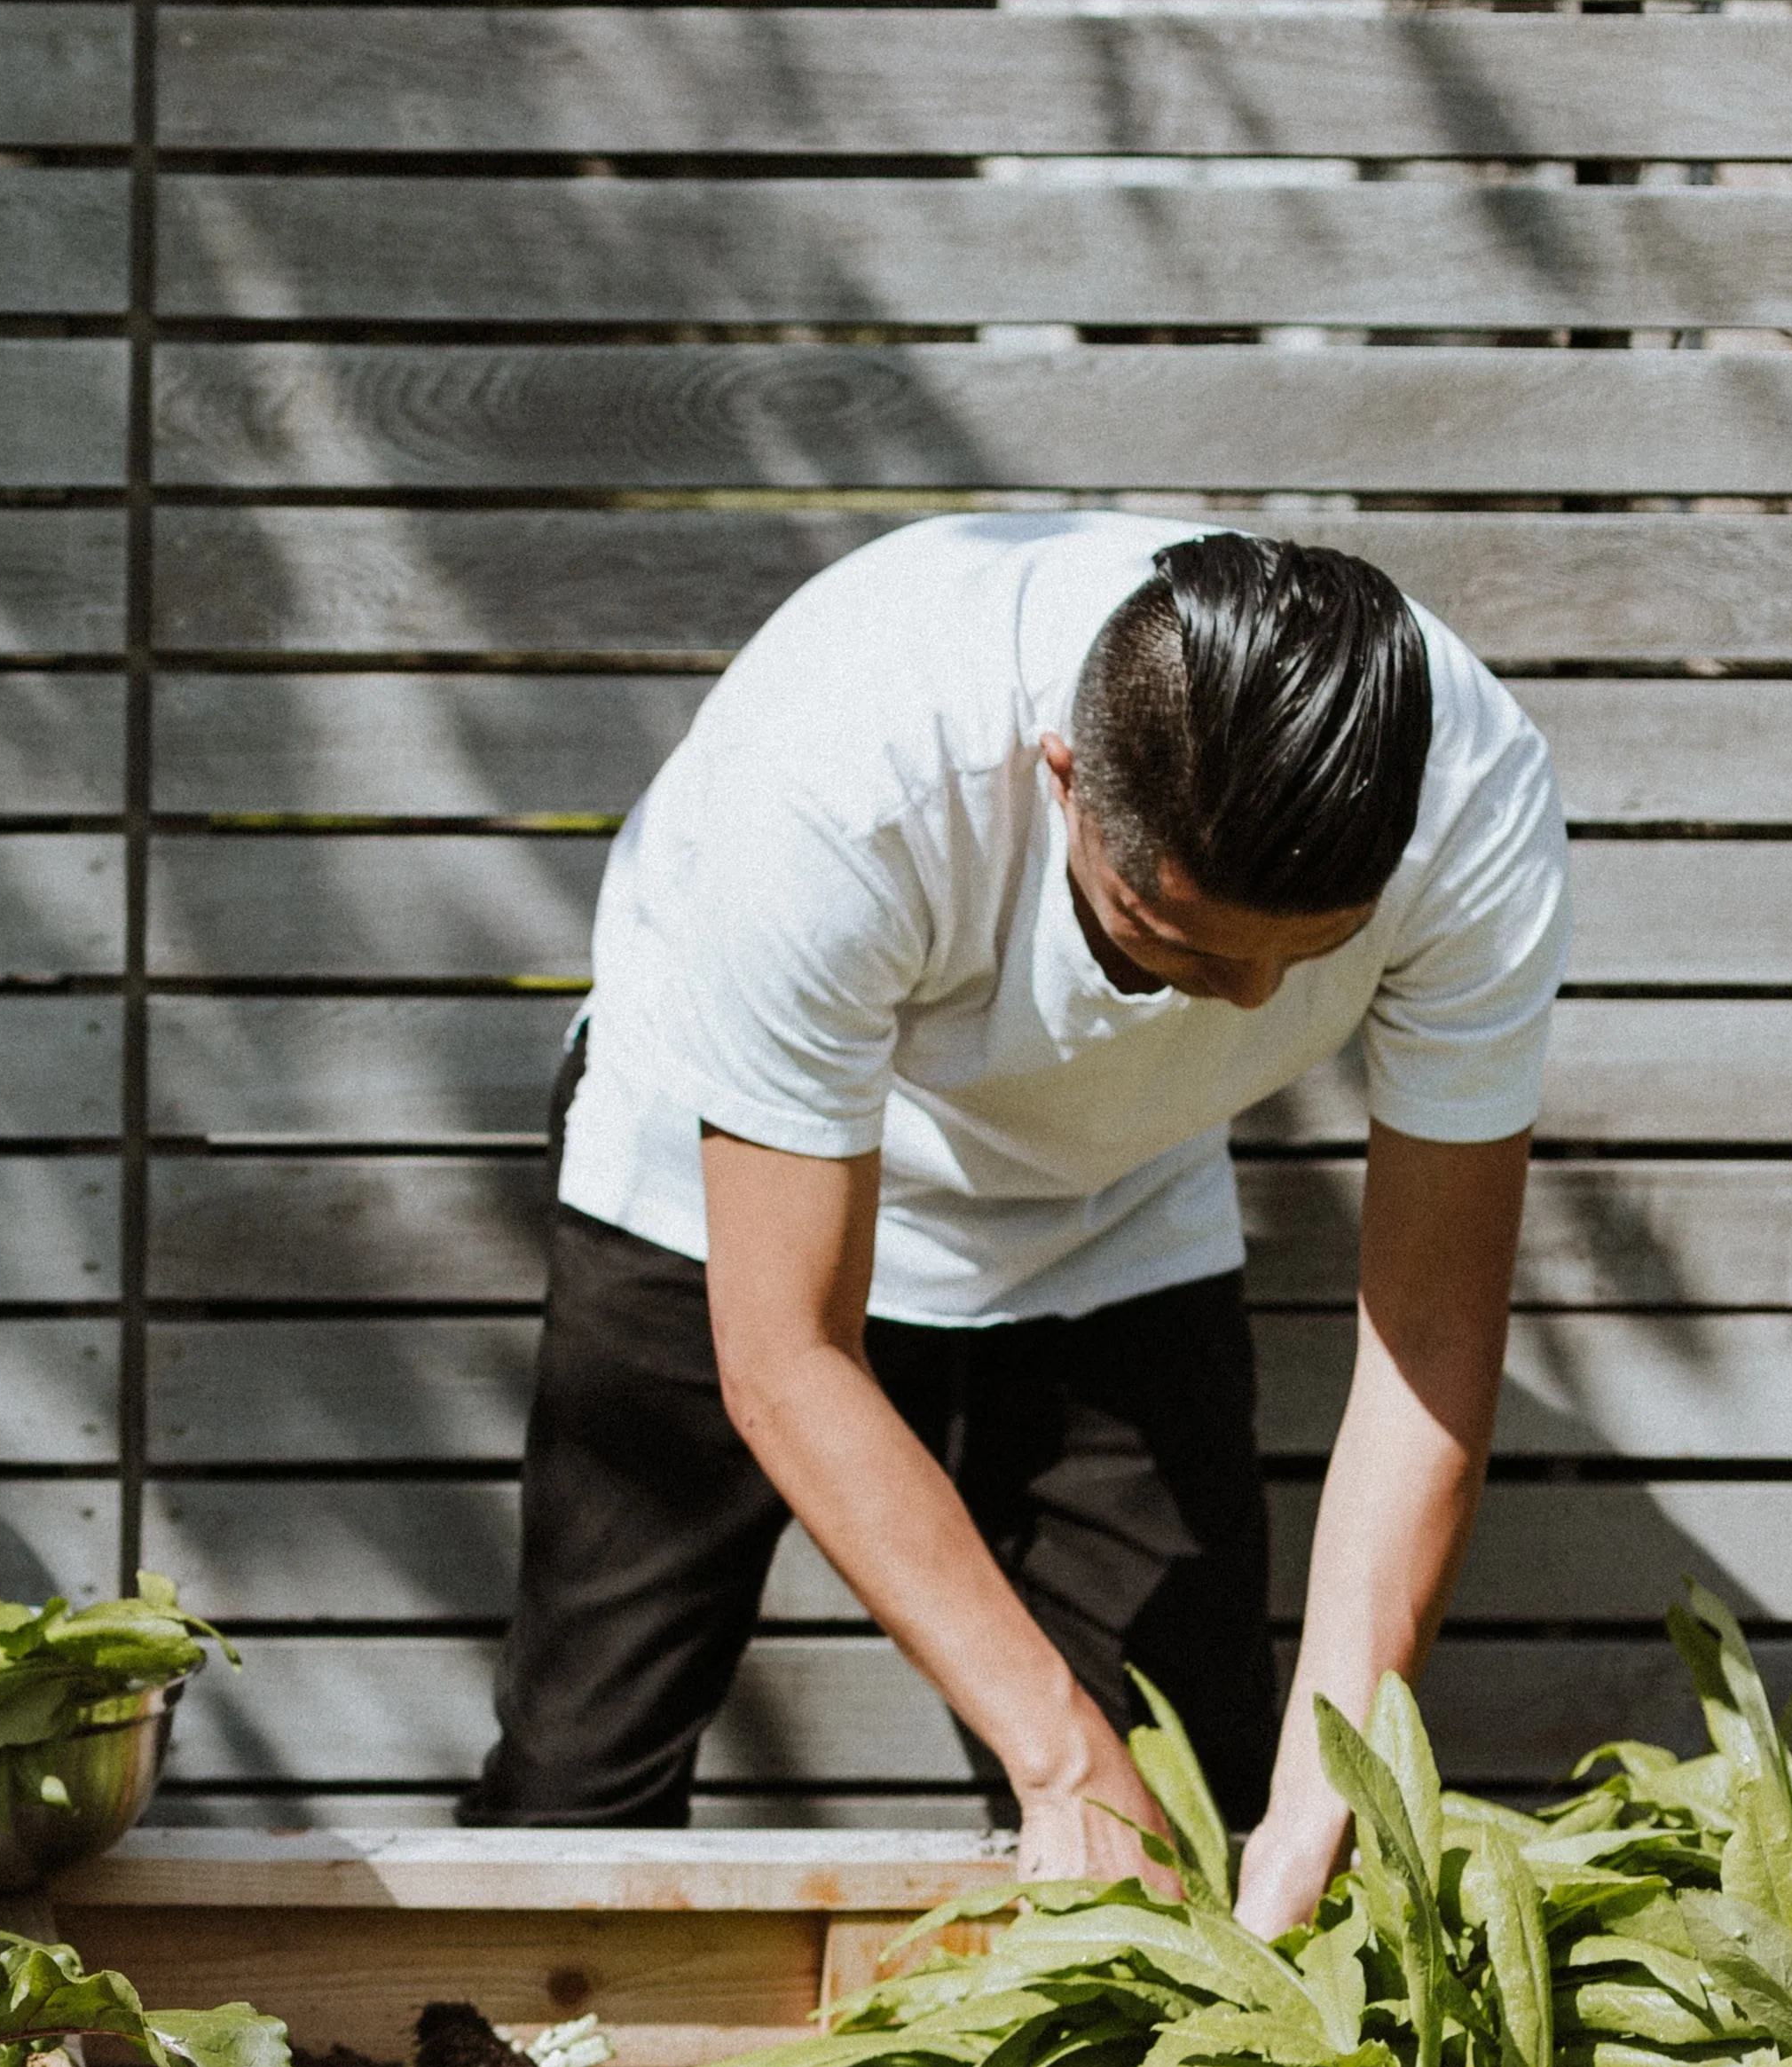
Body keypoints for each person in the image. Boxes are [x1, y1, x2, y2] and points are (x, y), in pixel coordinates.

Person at [459, 515, 1567, 1931]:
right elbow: (788, 1353)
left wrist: (1323, 1796)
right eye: (1174, 943)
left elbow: (1426, 1338)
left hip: (1112, 1203)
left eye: (1309, 958)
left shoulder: (1473, 804)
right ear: (1065, 782)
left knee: (1189, 1806)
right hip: (716, 1187)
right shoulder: (845, 776)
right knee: (580, 1785)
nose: (1246, 1005)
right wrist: (1054, 1755)